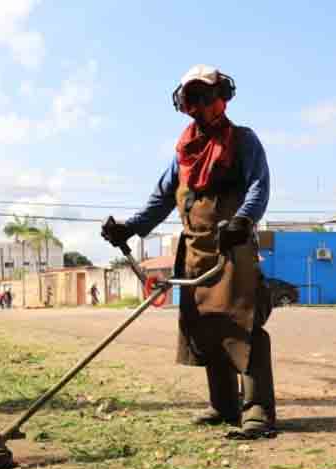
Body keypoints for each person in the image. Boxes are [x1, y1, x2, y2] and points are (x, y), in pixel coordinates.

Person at [101, 64, 275, 439]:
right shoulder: (183, 153)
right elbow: (162, 199)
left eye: (205, 95)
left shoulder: (243, 141)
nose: (198, 104)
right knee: (207, 326)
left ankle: (257, 409)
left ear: (222, 97)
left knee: (243, 324)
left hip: (234, 250)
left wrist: (243, 221)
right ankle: (224, 405)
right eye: (190, 97)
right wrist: (128, 228)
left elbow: (259, 186)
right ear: (182, 103)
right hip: (195, 251)